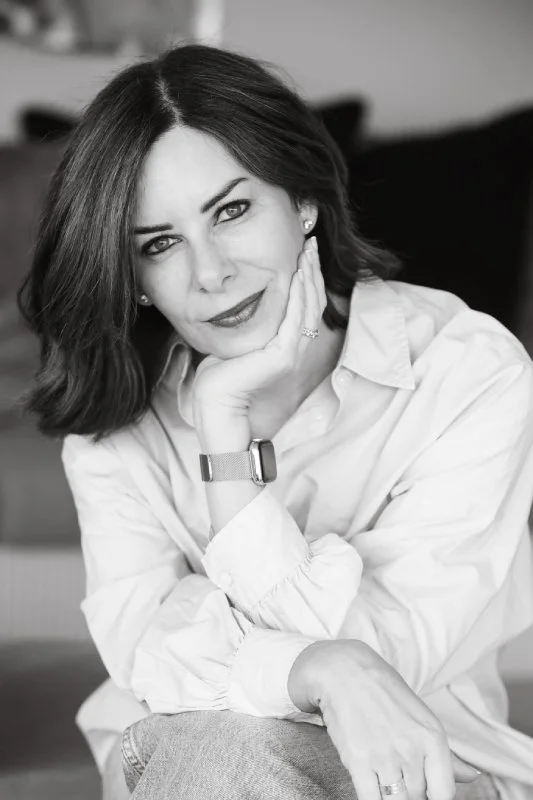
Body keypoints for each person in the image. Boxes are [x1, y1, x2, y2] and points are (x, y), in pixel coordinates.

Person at [16, 43, 533, 800]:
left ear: (303, 201)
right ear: (138, 283)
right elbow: (150, 656)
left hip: (420, 768)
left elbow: (392, 658)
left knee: (235, 747)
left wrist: (318, 661)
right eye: (159, 245)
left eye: (230, 211)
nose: (210, 272)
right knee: (224, 747)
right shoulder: (113, 421)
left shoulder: (465, 373)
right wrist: (318, 666)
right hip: (177, 755)